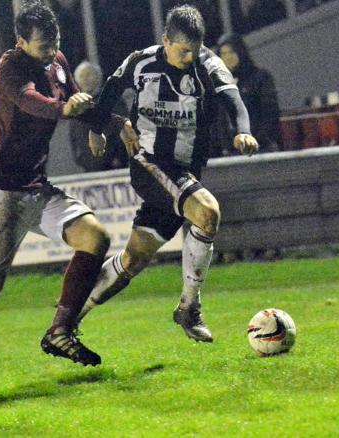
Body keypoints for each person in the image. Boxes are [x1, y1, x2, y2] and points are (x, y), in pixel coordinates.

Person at [0, 0, 136, 396]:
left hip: (34, 186)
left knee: (95, 238)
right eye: (42, 46)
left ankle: (60, 330)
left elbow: (75, 102)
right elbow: (35, 102)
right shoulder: (9, 70)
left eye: (55, 44)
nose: (51, 52)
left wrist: (113, 123)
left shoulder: (57, 60)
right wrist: (66, 108)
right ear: (20, 41)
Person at [79, 5, 259, 342]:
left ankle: (69, 316)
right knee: (207, 213)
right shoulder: (141, 61)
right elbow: (111, 89)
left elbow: (234, 101)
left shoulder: (208, 65)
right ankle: (189, 308)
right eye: (182, 50)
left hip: (184, 172)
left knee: (135, 258)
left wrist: (243, 130)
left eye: (194, 49)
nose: (189, 56)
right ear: (165, 41)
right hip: (149, 163)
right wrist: (97, 128)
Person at [215, 33, 280, 154]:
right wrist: (226, 145)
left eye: (232, 52)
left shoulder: (260, 77)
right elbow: (220, 120)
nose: (228, 57)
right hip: (233, 153)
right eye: (224, 54)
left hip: (261, 149)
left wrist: (257, 140)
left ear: (240, 52)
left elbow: (271, 113)